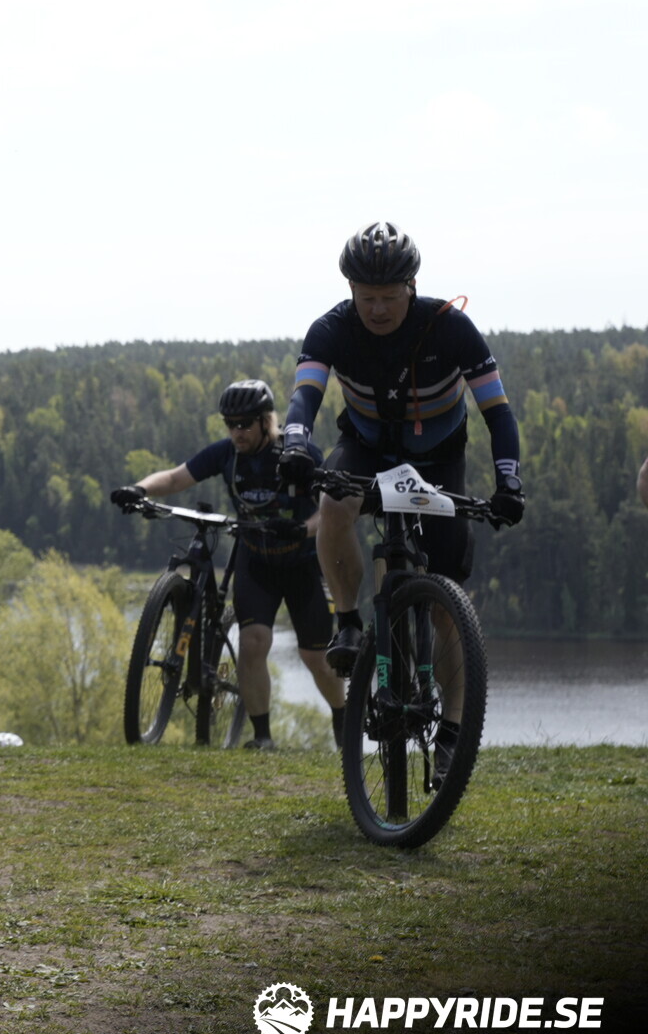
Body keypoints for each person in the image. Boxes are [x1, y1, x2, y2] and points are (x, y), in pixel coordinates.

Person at [276, 223, 525, 775]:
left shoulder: (451, 328)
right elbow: (304, 398)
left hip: (439, 459)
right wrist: (294, 443)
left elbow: (498, 413)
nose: (378, 309)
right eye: (367, 297)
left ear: (412, 285)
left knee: (445, 608)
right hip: (366, 448)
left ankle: (452, 732)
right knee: (333, 505)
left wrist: (509, 481)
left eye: (389, 297)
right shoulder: (331, 329)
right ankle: (348, 621)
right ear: (350, 289)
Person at [110, 379, 347, 750]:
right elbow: (176, 477)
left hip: (302, 564)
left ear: (266, 421)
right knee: (253, 643)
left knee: (315, 657)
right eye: (230, 424)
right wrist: (139, 489)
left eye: (244, 424)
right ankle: (262, 737)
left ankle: (342, 715)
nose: (237, 432)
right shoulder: (227, 455)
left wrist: (302, 529)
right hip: (255, 563)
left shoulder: (298, 455)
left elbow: (332, 510)